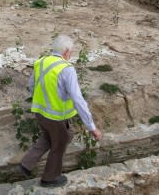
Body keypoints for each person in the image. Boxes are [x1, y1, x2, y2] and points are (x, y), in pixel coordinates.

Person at [18, 34, 103, 187]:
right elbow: (78, 99)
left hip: (40, 112)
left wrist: (42, 100)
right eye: (71, 52)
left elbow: (31, 85)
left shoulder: (41, 62)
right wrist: (92, 127)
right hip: (55, 116)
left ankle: (26, 163)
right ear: (66, 52)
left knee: (57, 137)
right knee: (60, 144)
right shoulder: (66, 69)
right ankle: (49, 178)